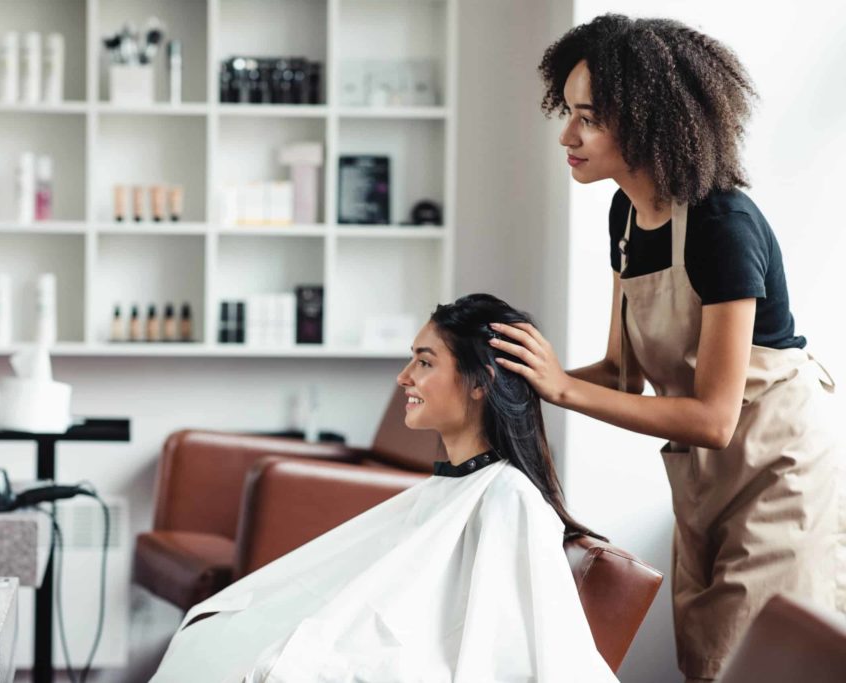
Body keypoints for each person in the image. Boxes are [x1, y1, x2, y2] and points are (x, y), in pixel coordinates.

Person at [490, 14, 844, 682]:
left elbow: (714, 416)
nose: (567, 134)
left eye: (587, 118)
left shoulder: (722, 225)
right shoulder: (625, 215)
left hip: (780, 472)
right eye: (566, 111)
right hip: (705, 480)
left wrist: (563, 387)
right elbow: (623, 376)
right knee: (705, 654)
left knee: (748, 664)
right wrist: (529, 375)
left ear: (648, 120)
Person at [152, 294, 617, 682]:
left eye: (424, 361)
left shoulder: (509, 497)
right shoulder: (455, 485)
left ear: (480, 384)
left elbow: (498, 653)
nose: (404, 377)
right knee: (214, 633)